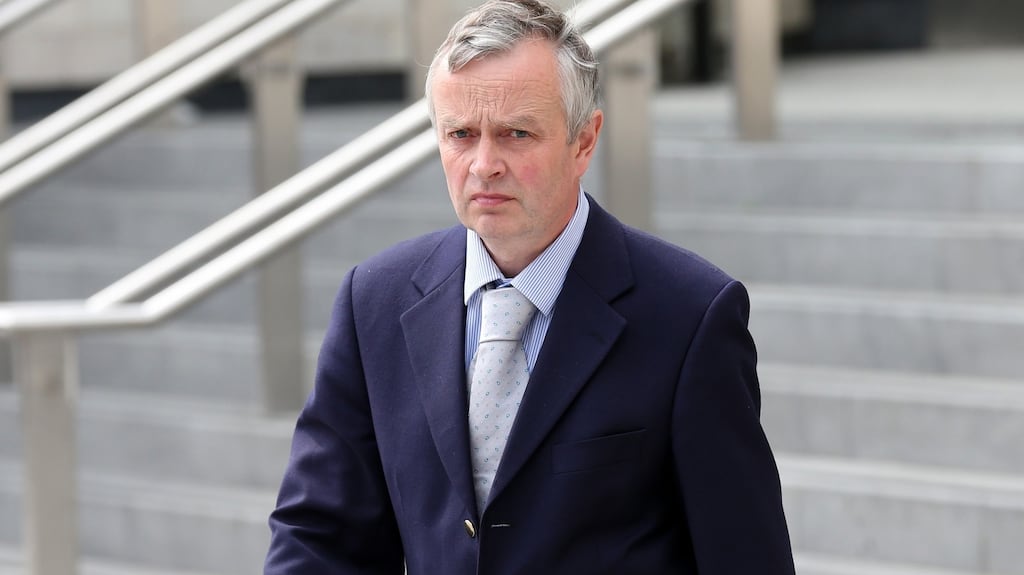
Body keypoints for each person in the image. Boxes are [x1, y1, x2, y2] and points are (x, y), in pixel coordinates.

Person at [264, 0, 795, 572]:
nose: (483, 164)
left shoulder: (689, 315)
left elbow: (744, 555)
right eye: (460, 134)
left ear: (584, 141)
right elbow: (320, 534)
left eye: (516, 133)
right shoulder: (374, 301)